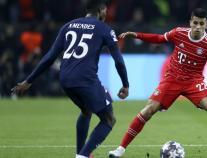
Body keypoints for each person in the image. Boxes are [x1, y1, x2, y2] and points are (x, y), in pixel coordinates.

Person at [109, 8, 207, 158]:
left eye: (201, 23)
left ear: (206, 24)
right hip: (172, 79)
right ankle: (120, 150)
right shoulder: (178, 32)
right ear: (190, 22)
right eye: (195, 23)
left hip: (194, 82)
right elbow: (159, 38)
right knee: (148, 110)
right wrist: (137, 35)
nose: (197, 27)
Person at [11, 0, 129, 158]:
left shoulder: (68, 26)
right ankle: (83, 156)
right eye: (105, 10)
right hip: (85, 79)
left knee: (86, 110)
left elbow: (50, 57)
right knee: (109, 119)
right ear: (101, 10)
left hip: (65, 79)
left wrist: (28, 81)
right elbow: (119, 61)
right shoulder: (104, 29)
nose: (106, 13)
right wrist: (125, 84)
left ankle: (79, 153)